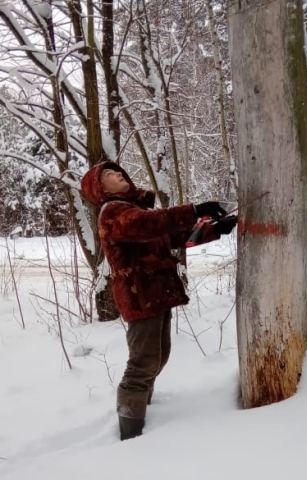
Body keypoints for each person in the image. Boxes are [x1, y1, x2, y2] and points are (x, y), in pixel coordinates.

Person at [81, 161, 237, 440]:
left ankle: (142, 408)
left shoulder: (134, 210)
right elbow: (148, 225)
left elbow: (171, 236)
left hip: (154, 294)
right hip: (139, 296)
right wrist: (194, 210)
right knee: (143, 363)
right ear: (100, 188)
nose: (118, 174)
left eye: (118, 171)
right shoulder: (113, 212)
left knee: (158, 356)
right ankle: (130, 432)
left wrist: (216, 229)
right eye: (109, 175)